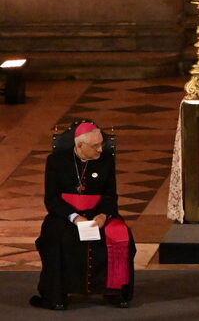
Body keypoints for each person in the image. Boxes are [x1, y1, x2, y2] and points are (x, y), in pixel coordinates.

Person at [31, 122, 135, 310]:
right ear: (79, 146)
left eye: (102, 144)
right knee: (58, 238)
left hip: (98, 214)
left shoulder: (106, 161)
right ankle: (56, 294)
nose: (101, 149)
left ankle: (114, 291)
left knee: (119, 234)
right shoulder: (56, 161)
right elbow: (52, 199)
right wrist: (75, 218)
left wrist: (103, 215)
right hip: (66, 216)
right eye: (95, 146)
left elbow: (110, 195)